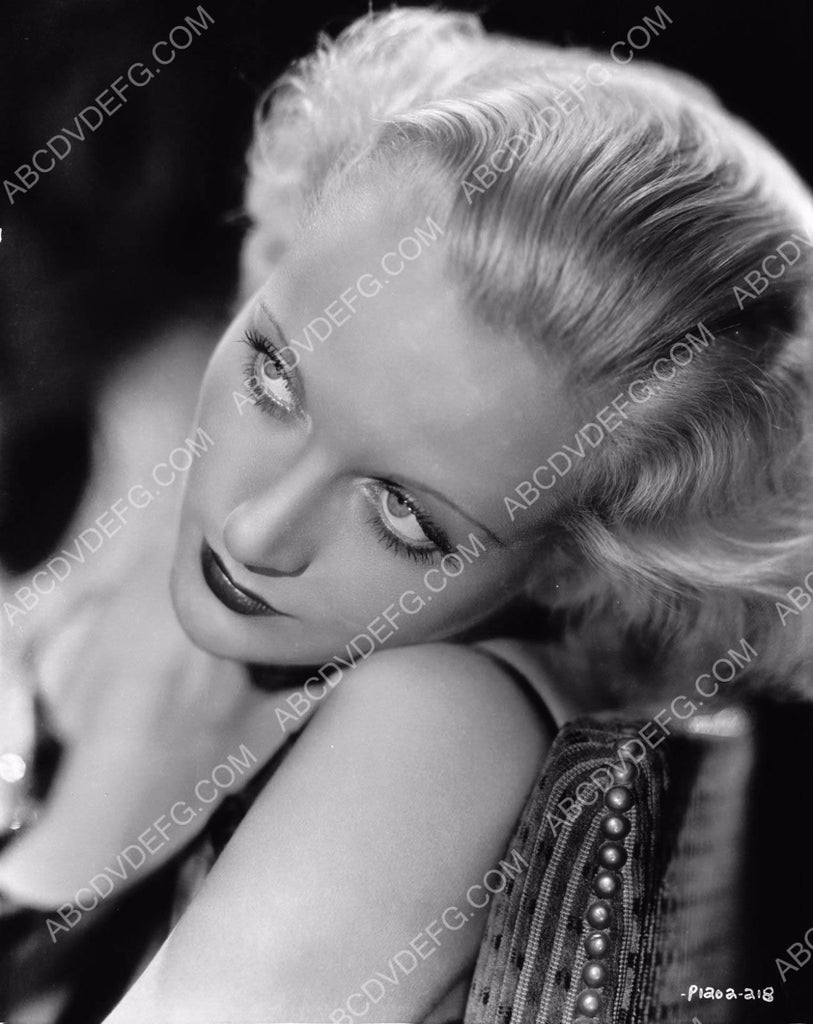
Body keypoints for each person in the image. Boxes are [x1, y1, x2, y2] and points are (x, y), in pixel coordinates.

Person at [2, 8, 812, 1022]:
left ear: (577, 562)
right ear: (264, 264)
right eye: (273, 378)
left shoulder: (438, 727)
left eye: (402, 516)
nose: (255, 533)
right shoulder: (233, 621)